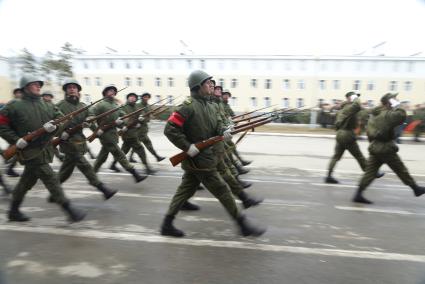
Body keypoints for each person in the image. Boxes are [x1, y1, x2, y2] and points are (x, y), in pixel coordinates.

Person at [159, 70, 265, 238]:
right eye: (208, 83)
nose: (211, 85)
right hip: (201, 160)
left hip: (208, 156)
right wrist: (187, 147)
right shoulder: (188, 106)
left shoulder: (211, 105)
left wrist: (225, 130)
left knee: (185, 190)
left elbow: (218, 126)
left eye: (211, 83)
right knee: (222, 190)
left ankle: (166, 224)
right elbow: (170, 129)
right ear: (197, 86)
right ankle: (243, 224)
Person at [0, 75, 86, 222]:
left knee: (26, 181)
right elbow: (1, 124)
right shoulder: (14, 105)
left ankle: (13, 211)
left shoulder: (47, 104)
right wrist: (16, 140)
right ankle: (70, 210)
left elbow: (62, 121)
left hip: (45, 149)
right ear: (25, 87)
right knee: (50, 178)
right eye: (34, 84)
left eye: (39, 84)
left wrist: (55, 127)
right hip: (29, 151)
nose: (38, 86)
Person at [353, 93, 425, 204]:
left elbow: (369, 133)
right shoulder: (385, 114)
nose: (397, 100)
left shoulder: (375, 114)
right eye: (394, 99)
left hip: (375, 147)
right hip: (385, 148)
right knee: (400, 169)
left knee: (370, 172)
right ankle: (415, 188)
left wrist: (374, 144)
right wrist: (398, 105)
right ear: (389, 102)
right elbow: (401, 116)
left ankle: (358, 194)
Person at [55, 79, 117, 200]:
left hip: (79, 140)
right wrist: (61, 133)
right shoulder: (59, 106)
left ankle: (54, 190)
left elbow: (90, 115)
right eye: (69, 87)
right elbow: (54, 123)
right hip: (67, 142)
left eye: (74, 87)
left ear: (78, 90)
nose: (72, 89)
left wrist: (90, 122)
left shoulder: (82, 106)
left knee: (66, 171)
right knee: (85, 165)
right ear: (66, 90)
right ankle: (102, 188)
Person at [92, 85, 147, 183]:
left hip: (113, 134)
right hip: (105, 135)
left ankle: (92, 174)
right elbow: (90, 116)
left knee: (102, 157)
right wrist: (96, 130)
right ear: (105, 93)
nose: (112, 92)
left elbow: (124, 117)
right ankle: (135, 174)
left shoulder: (115, 105)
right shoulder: (101, 105)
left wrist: (125, 123)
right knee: (120, 155)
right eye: (109, 91)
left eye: (113, 91)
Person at [325, 92, 384, 184]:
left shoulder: (342, 109)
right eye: (354, 97)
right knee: (359, 156)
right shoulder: (350, 108)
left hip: (340, 134)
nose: (356, 98)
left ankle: (328, 176)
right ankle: (373, 173)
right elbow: (360, 108)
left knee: (336, 156)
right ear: (350, 98)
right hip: (348, 134)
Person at [109, 93, 156, 175]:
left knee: (123, 151)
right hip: (128, 133)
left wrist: (140, 120)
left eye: (134, 97)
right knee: (140, 149)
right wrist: (122, 126)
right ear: (127, 98)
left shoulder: (137, 107)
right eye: (130, 97)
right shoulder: (123, 107)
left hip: (134, 132)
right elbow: (119, 119)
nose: (132, 98)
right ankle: (147, 168)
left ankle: (113, 164)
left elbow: (140, 117)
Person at [42, 91, 65, 162]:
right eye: (45, 96)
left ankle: (58, 156)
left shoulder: (53, 106)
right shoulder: (39, 104)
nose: (47, 98)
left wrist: (57, 121)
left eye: (49, 96)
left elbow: (60, 115)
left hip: (49, 128)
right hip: (39, 128)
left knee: (50, 143)